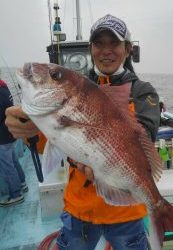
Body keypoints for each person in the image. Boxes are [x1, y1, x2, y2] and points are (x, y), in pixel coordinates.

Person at [5, 14, 160, 249]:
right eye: (99, 43)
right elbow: (50, 143)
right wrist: (28, 130)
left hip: (127, 211)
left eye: (114, 43)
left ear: (128, 49)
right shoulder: (76, 86)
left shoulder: (142, 91)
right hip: (81, 207)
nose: (106, 50)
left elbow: (143, 139)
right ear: (91, 49)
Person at [0, 79, 28, 207]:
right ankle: (22, 183)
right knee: (13, 160)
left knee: (7, 166)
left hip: (2, 137)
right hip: (9, 133)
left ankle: (16, 195)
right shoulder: (4, 88)